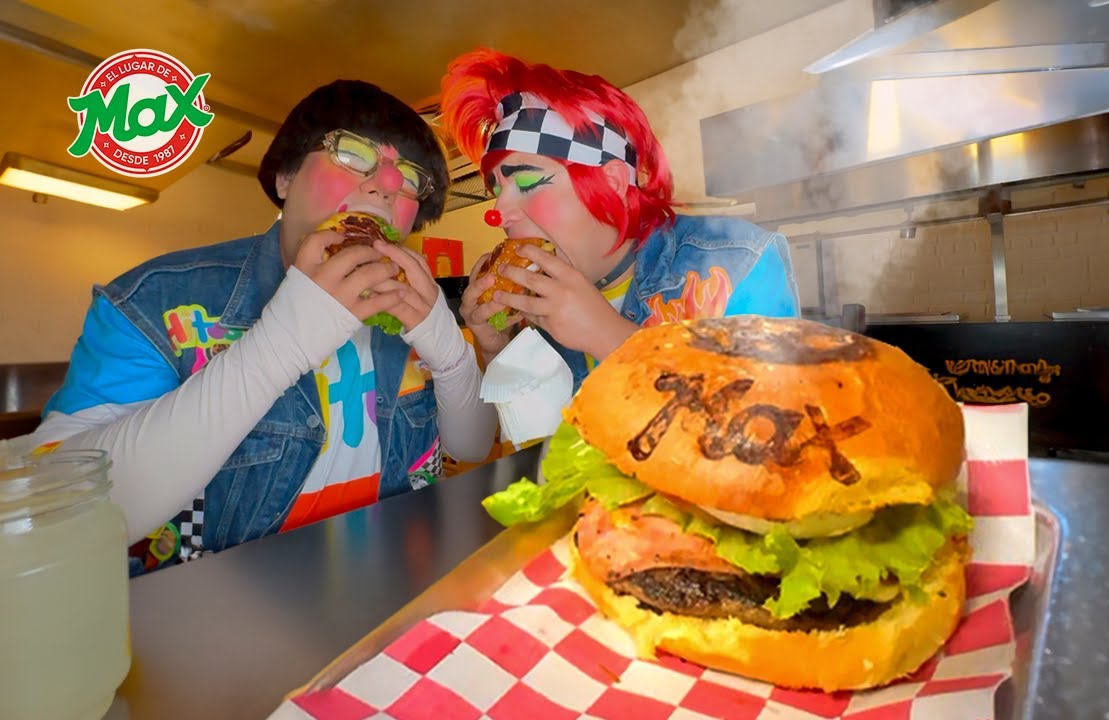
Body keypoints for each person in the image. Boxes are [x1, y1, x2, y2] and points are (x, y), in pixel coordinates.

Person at [29, 80, 497, 575]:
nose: (385, 183)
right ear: (286, 178)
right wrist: (281, 343)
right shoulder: (155, 302)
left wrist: (448, 346)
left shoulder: (410, 310)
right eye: (354, 152)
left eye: (409, 178)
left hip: (390, 596)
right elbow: (54, 515)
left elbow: (469, 445)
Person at [438, 49, 801, 389]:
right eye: (496, 190)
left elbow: (780, 431)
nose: (498, 213)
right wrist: (497, 348)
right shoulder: (534, 303)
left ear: (612, 184)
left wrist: (610, 338)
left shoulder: (737, 260)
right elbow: (539, 442)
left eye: (529, 182)